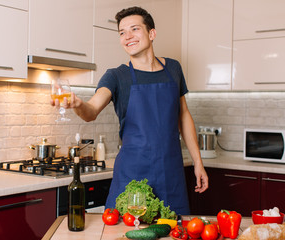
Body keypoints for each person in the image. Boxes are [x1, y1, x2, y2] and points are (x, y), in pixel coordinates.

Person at [51, 6, 208, 215]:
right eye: (122, 32)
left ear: (151, 33)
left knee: (174, 231)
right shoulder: (116, 76)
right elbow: (92, 110)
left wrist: (198, 162)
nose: (127, 36)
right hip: (132, 173)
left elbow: (183, 115)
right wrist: (78, 104)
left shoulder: (173, 69)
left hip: (171, 173)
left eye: (134, 29)